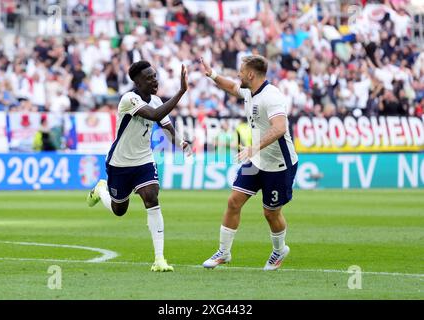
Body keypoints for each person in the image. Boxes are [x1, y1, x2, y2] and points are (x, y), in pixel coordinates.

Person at [86, 61, 189, 272]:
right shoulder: (129, 99)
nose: (155, 80)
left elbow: (167, 126)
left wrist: (181, 143)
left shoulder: (157, 100)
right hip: (119, 163)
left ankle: (159, 259)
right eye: (149, 77)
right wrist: (181, 92)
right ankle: (101, 190)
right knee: (119, 210)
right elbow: (155, 116)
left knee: (152, 197)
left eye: (155, 76)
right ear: (137, 81)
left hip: (143, 161)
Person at [200, 55, 298, 271]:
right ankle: (223, 253)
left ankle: (279, 250)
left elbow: (280, 127)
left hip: (279, 164)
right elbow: (232, 86)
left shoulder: (272, 96)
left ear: (251, 74)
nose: (238, 74)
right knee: (234, 201)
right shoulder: (249, 91)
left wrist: (254, 147)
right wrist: (212, 75)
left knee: (271, 213)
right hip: (256, 160)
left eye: (241, 71)